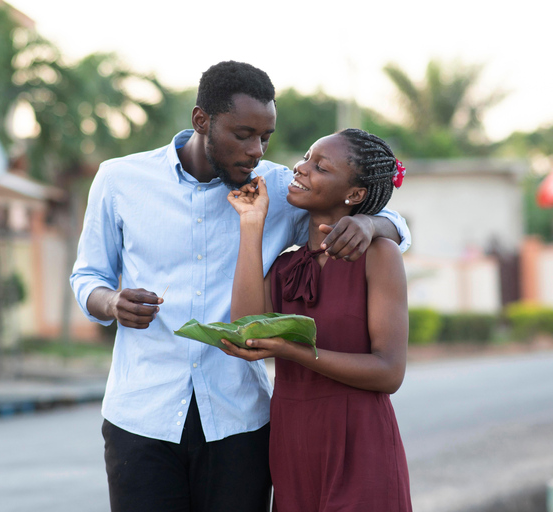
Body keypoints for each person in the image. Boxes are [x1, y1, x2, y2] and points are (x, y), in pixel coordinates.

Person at [70, 61, 411, 512]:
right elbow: (87, 277)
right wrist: (112, 301)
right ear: (201, 121)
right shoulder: (119, 180)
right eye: (243, 134)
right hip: (141, 416)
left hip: (239, 420)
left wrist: (371, 222)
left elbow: (380, 214)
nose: (256, 150)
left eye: (265, 138)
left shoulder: (277, 187)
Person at [221, 128, 412, 511]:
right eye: (306, 157)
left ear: (354, 194)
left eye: (319, 167)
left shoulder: (379, 255)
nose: (301, 167)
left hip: (359, 442)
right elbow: (243, 332)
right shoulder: (286, 266)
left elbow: (389, 372)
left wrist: (295, 352)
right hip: (291, 443)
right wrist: (251, 224)